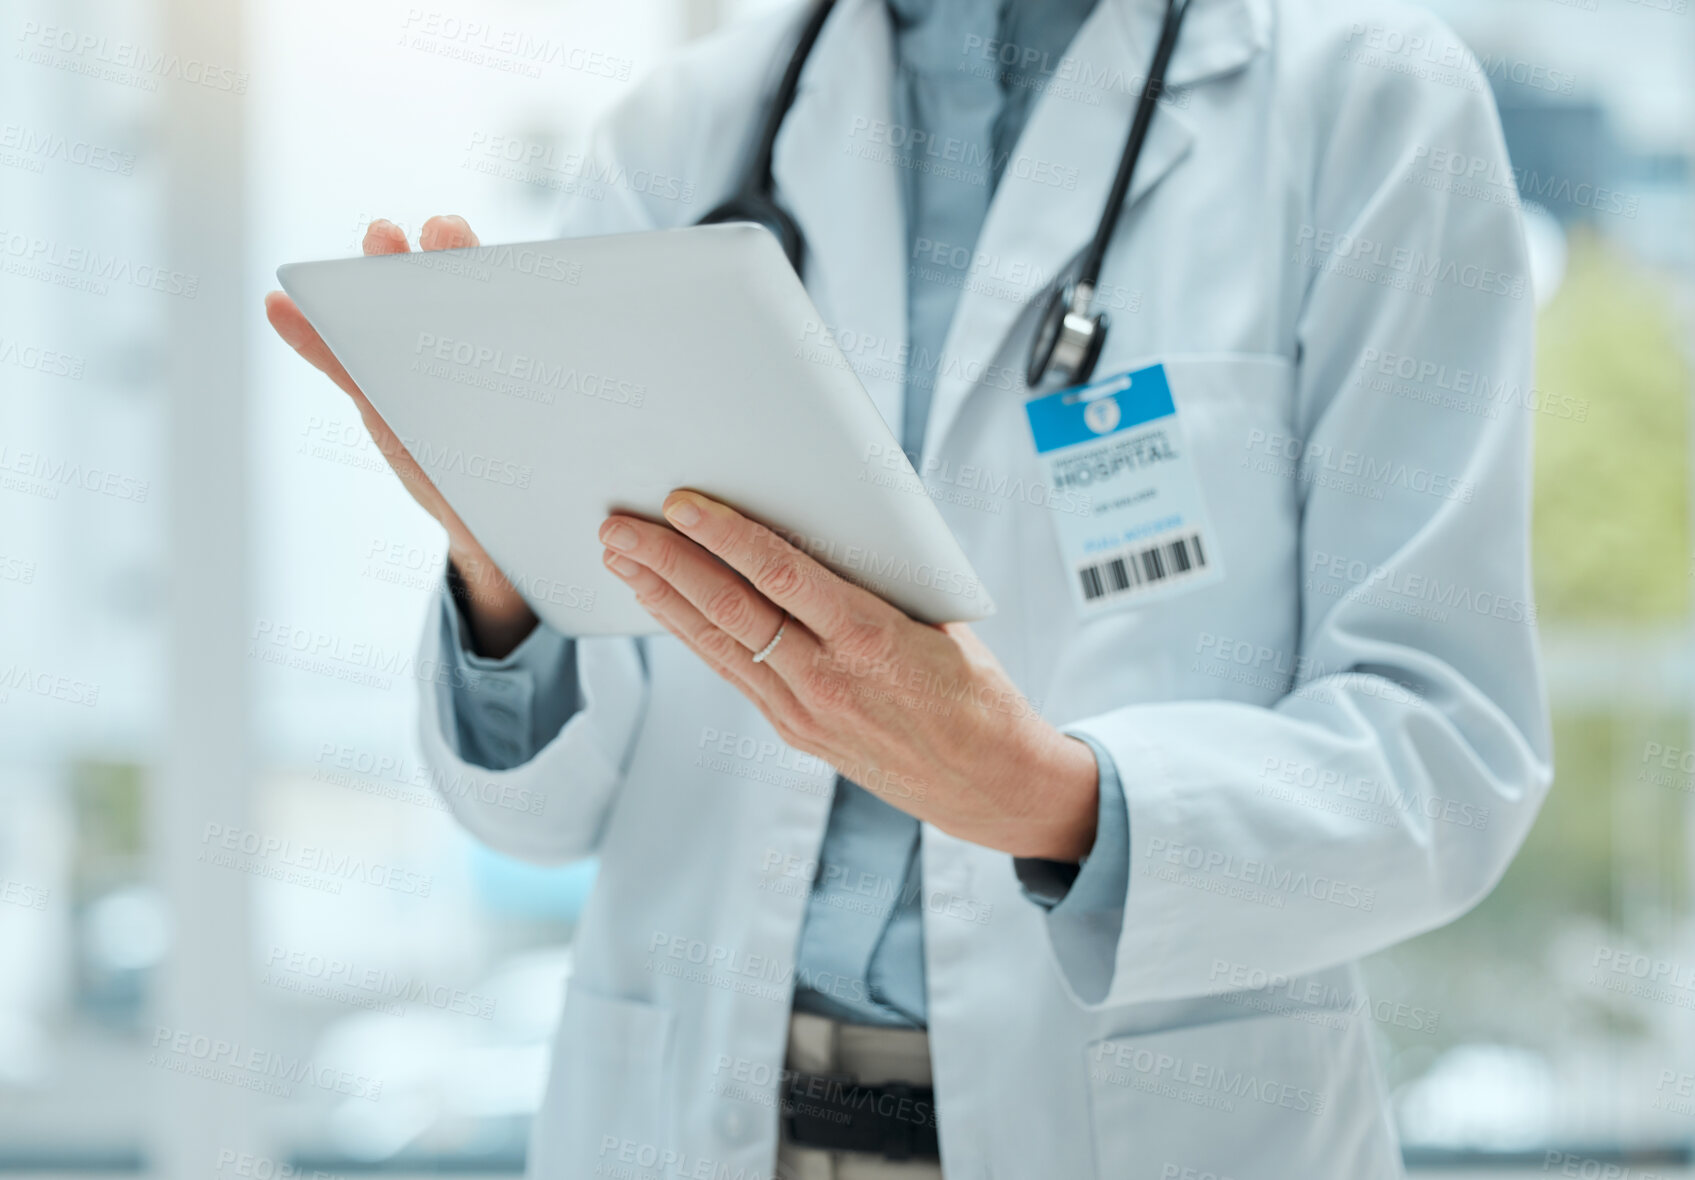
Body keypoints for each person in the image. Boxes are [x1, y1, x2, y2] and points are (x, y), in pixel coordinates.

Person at [264, 0, 1553, 1175]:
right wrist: (511, 586)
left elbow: (1444, 745)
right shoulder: (683, 135)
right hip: (694, 1117)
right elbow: (539, 820)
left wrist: (1050, 800)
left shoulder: (1373, 107)